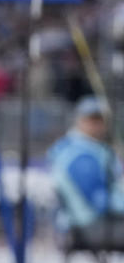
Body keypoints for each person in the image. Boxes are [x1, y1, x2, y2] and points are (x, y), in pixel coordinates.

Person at [48, 95, 124, 250]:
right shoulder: (80, 156)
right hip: (88, 226)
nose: (97, 125)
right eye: (92, 120)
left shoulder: (95, 150)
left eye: (101, 120)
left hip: (96, 223)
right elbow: (99, 200)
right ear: (79, 120)